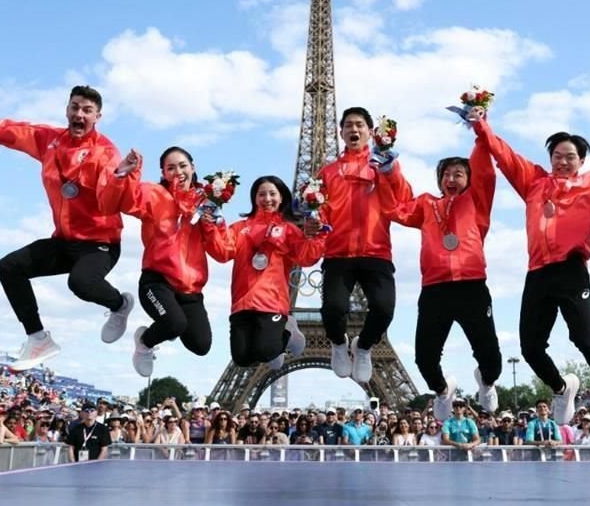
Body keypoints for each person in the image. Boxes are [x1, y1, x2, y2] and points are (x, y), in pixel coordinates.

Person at [0, 86, 133, 370]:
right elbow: (1, 129)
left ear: (97, 116)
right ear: (67, 109)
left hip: (99, 244)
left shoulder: (106, 153)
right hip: (64, 241)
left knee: (79, 283)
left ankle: (119, 305)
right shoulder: (48, 140)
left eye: (87, 110)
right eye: (74, 107)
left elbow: (113, 199)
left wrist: (119, 179)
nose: (79, 114)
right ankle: (38, 338)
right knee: (8, 267)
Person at [474, 109, 590, 423]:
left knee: (584, 337)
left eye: (570, 157)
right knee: (530, 347)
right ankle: (561, 389)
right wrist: (480, 123)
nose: (562, 162)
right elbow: (504, 155)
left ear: (581, 161)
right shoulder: (533, 182)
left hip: (572, 270)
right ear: (549, 158)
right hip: (538, 273)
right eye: (557, 156)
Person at [379, 111, 501, 421]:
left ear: (469, 179)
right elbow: (397, 208)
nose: (451, 179)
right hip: (434, 290)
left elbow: (486, 170)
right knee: (424, 358)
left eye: (459, 173)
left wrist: (479, 127)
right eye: (446, 174)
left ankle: (486, 381)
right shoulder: (426, 205)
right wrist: (391, 169)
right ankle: (443, 390)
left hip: (471, 286)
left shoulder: (477, 200)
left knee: (490, 356)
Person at [103, 146, 228, 376]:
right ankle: (145, 343)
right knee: (174, 324)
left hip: (190, 291)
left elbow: (223, 253)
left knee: (201, 346)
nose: (178, 172)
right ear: (163, 173)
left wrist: (213, 224)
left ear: (193, 167)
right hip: (157, 281)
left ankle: (161, 326)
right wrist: (127, 173)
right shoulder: (155, 194)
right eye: (170, 168)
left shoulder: (207, 203)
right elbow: (126, 200)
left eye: (182, 165)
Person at [314, 107, 412, 383]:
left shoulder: (383, 164)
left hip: (375, 250)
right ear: (341, 132)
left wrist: (390, 171)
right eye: (348, 125)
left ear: (371, 131)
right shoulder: (328, 172)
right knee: (333, 309)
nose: (353, 130)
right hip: (338, 252)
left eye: (359, 125)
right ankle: (337, 343)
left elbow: (404, 198)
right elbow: (318, 211)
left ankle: (364, 346)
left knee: (383, 309)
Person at [207, 176, 322, 371]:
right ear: (254, 198)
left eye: (272, 194)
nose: (267, 199)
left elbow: (306, 257)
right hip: (242, 302)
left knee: (265, 351)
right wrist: (212, 224)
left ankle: (287, 333)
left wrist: (316, 235)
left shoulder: (289, 230)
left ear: (282, 198)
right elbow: (222, 252)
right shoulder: (239, 228)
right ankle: (278, 340)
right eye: (261, 194)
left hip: (271, 302)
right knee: (242, 358)